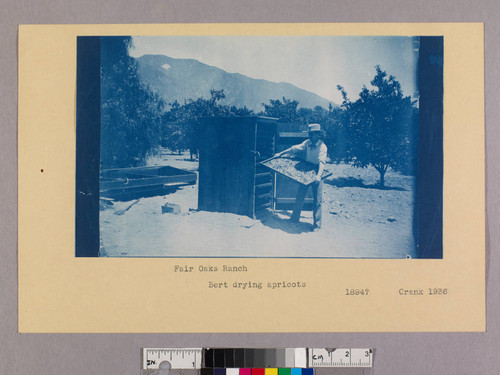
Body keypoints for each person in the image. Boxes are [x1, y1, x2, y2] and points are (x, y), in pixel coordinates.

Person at [274, 123, 328, 231]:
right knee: (300, 195)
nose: (310, 136)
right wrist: (280, 153)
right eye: (309, 134)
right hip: (307, 169)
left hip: (318, 170)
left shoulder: (322, 146)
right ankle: (294, 218)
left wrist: (318, 176)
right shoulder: (307, 143)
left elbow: (322, 162)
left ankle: (316, 225)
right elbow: (294, 149)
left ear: (318, 134)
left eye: (312, 134)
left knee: (317, 200)